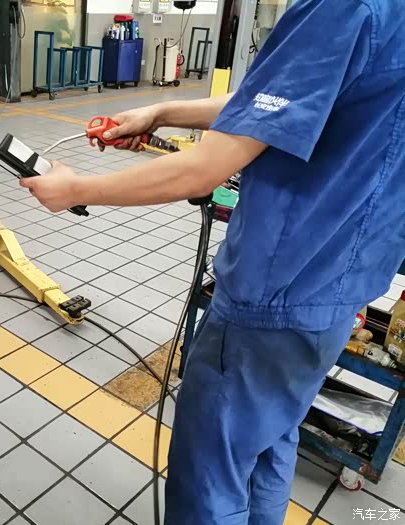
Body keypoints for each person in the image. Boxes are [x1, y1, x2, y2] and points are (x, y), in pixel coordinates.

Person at [21, 0, 405, 523]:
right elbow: (276, 100)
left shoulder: (341, 7)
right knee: (269, 441)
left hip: (274, 296)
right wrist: (160, 112)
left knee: (211, 473)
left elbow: (201, 171)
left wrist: (75, 190)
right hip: (341, 290)